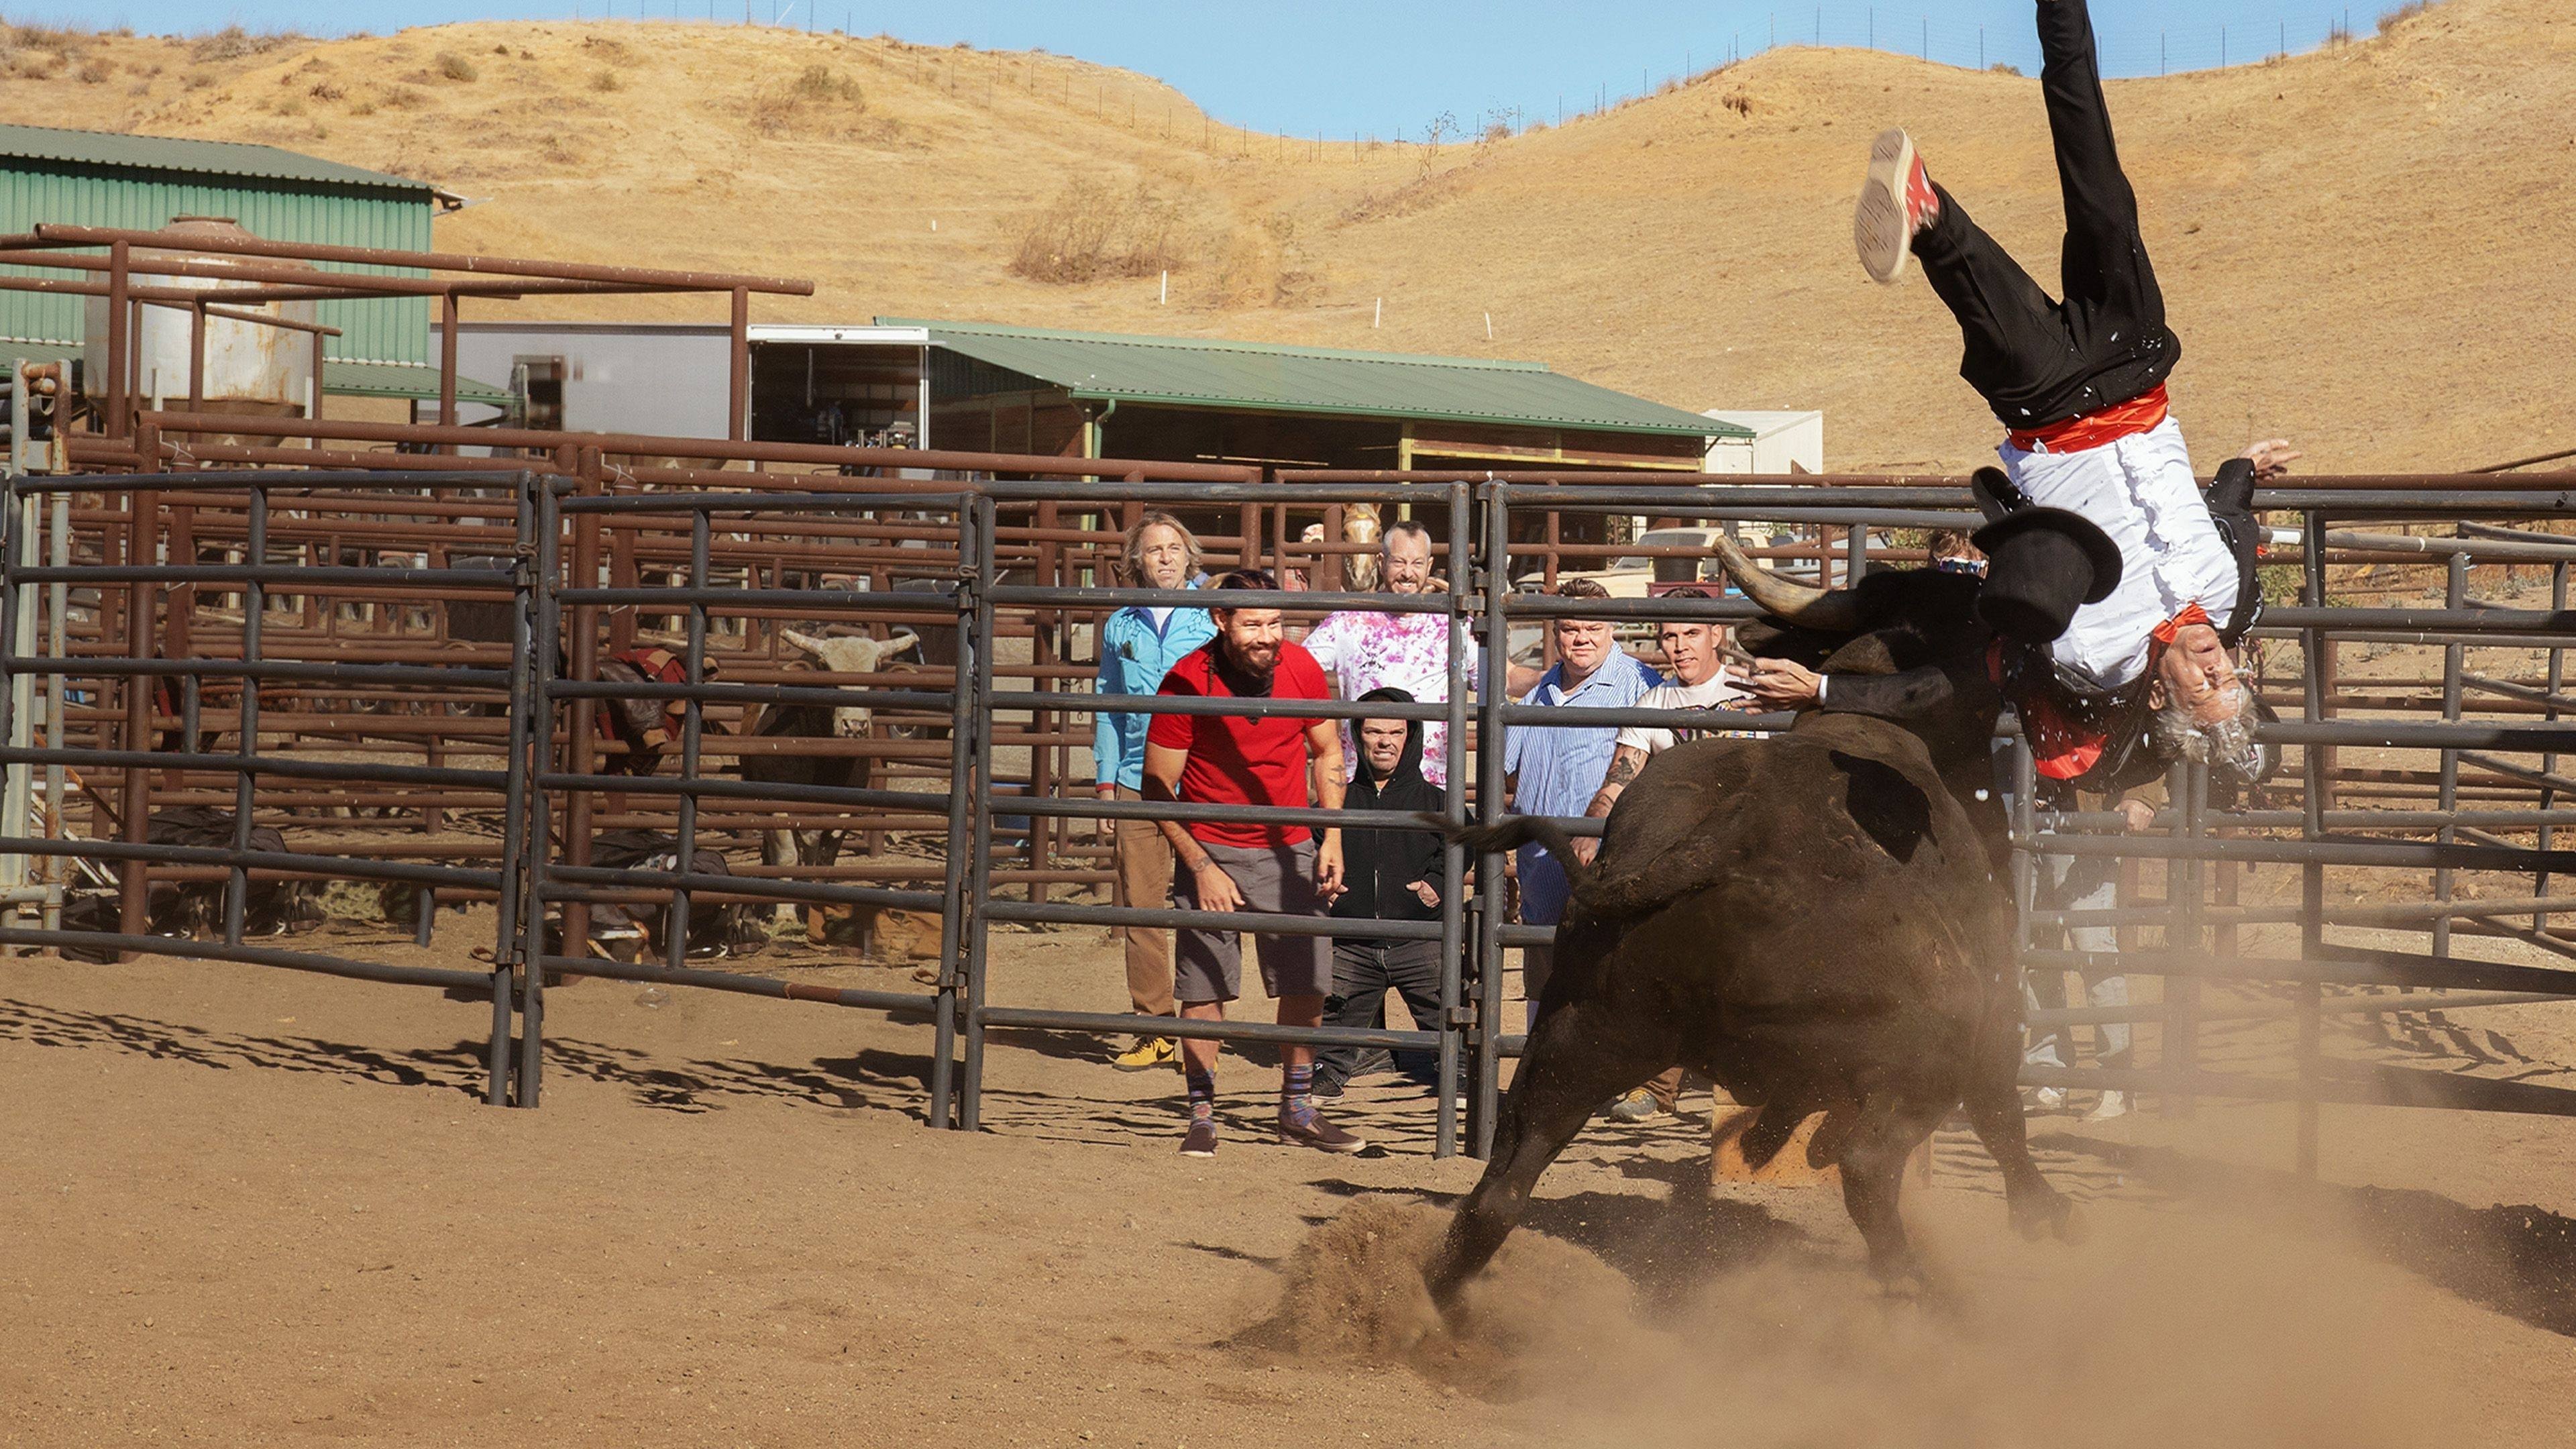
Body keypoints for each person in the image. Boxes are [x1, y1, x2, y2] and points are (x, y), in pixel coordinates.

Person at [1851, 0, 2296, 789]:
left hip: (2050, 411)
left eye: (2206, 687)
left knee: (1967, 269)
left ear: (2161, 693)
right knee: (2096, 172)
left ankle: (1922, 207)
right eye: (2231, 678)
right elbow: (2227, 510)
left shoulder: (2095, 652)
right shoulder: (2229, 590)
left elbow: (2024, 621)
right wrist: (2246, 467)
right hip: (2130, 361)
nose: (2215, 667)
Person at [1142, 570, 1365, 1157]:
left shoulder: (1301, 668)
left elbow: (1326, 752)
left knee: (1306, 981)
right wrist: (1200, 865)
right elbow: (1158, 786)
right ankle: (1202, 1114)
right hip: (1210, 846)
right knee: (1205, 987)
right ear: (1221, 622)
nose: (1267, 637)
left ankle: (1296, 1109)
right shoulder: (1186, 680)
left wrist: (1332, 838)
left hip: (1291, 845)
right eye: (1253, 625)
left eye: (1274, 623)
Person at [1574, 588, 1752, 1123]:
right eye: (1669, 637)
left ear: (1716, 635)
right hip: (1686, 853)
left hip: (1752, 846)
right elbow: (1619, 777)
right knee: (1669, 960)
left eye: (1690, 634)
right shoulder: (1654, 705)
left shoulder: (1752, 689)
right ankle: (1654, 1083)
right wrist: (1589, 830)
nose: (1678, 647)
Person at [1500, 578, 1662, 1009]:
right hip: (1542, 874)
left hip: (1607, 865)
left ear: (1611, 628)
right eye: (1571, 628)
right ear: (1556, 634)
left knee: (1608, 987)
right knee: (1544, 993)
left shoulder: (1640, 686)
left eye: (1592, 628)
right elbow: (1507, 773)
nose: (1582, 638)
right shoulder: (1540, 690)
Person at [1091, 513, 1216, 1073]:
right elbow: (1109, 705)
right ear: (1136, 561)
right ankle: (1154, 1025)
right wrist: (1105, 781)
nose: (1164, 558)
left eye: (1173, 548)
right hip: (1139, 782)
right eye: (1153, 550)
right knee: (1140, 906)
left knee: (1204, 903)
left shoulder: (1214, 618)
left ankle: (1202, 1027)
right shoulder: (1121, 624)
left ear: (1189, 557)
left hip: (1201, 781)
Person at [1300, 521, 1542, 788]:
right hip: (1362, 779)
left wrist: (1554, 677)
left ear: (1429, 566)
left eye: (1417, 564)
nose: (1407, 574)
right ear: (1382, 562)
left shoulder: (1452, 626)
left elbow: (1503, 677)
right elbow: (1298, 667)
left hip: (1429, 782)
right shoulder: (1349, 621)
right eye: (1399, 562)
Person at [1312, 690, 1450, 1100]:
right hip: (1352, 941)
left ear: (1411, 736)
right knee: (1334, 1023)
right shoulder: (1338, 803)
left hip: (1419, 936)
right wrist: (1325, 890)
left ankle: (1456, 1070)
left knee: (1447, 1014)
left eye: (1396, 731)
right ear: (1358, 735)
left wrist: (1437, 884)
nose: (1385, 740)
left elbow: (1463, 846)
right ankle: (1331, 1070)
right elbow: (1310, 847)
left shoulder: (1435, 802)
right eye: (1373, 731)